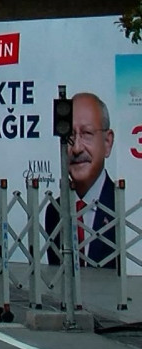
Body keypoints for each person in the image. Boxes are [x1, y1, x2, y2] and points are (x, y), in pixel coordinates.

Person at [45, 92, 117, 267]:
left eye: (86, 133)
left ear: (107, 142)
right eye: (69, 136)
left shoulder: (123, 207)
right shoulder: (55, 211)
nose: (76, 148)